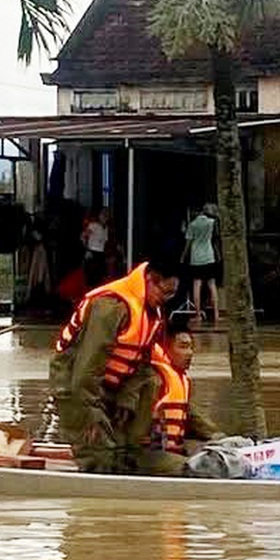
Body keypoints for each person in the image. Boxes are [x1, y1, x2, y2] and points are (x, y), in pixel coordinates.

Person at [50, 260, 180, 473]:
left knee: (125, 451)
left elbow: (143, 364)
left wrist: (127, 400)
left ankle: (129, 458)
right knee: (101, 459)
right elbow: (87, 368)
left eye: (171, 295)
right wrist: (92, 414)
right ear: (150, 280)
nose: (165, 301)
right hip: (76, 388)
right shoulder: (111, 306)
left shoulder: (151, 312)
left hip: (113, 387)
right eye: (165, 293)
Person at [139, 318, 223, 475]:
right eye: (183, 347)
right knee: (205, 468)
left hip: (170, 453)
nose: (190, 353)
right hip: (147, 455)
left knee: (219, 452)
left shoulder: (181, 381)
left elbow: (194, 419)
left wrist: (220, 438)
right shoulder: (152, 379)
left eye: (192, 347)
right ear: (164, 347)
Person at [182, 203, 220, 324]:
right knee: (212, 286)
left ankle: (198, 314)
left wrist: (183, 256)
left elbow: (188, 244)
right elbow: (215, 239)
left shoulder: (192, 225)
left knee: (197, 286)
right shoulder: (211, 223)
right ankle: (216, 314)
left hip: (196, 258)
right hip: (209, 256)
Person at [83, 207, 110, 287]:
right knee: (92, 277)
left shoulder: (106, 228)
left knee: (100, 276)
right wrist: (87, 250)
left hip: (101, 253)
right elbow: (84, 236)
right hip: (92, 252)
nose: (105, 216)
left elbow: (105, 242)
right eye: (103, 214)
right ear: (99, 215)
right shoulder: (94, 225)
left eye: (106, 215)